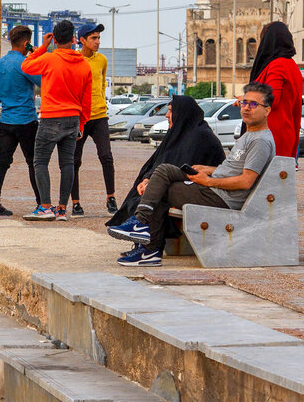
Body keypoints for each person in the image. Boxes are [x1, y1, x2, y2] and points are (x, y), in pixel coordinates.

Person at [108, 83, 276, 267]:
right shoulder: (248, 135)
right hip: (214, 188)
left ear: (267, 111)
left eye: (253, 105)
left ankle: (148, 244)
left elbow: (246, 181)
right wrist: (208, 169)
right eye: (243, 103)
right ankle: (141, 228)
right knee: (164, 170)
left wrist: (209, 181)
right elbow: (233, 169)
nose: (246, 108)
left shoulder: (260, 141)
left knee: (161, 189)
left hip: (221, 198)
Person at [105, 95, 226, 231]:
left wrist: (151, 183)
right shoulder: (180, 133)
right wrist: (146, 180)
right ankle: (142, 238)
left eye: (171, 111)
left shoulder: (200, 136)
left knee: (156, 195)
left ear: (182, 114)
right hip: (178, 181)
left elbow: (179, 167)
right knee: (143, 194)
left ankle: (148, 243)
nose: (167, 115)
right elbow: (161, 161)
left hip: (203, 190)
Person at [20, 20, 92, 221]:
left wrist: (42, 47)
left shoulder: (49, 59)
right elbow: (87, 101)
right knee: (67, 163)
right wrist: (82, 124)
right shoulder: (84, 65)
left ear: (55, 39)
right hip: (73, 118)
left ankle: (45, 207)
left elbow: (25, 66)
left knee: (40, 161)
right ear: (74, 39)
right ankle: (62, 209)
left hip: (51, 117)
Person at [0, 25, 41, 216]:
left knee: (2, 161)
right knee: (33, 162)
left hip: (6, 119)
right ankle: (42, 204)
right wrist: (36, 55)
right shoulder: (25, 63)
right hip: (26, 119)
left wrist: (9, 99)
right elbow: (42, 81)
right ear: (27, 43)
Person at [71, 23, 117, 216]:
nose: (98, 42)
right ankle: (75, 202)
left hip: (99, 115)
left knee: (106, 156)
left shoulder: (102, 60)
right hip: (79, 117)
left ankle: (111, 197)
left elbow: (101, 85)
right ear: (82, 40)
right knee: (74, 160)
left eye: (99, 38)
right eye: (93, 38)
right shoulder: (73, 60)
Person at [248, 21, 303, 158]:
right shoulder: (292, 65)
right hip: (284, 133)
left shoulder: (277, 65)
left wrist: (247, 100)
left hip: (271, 135)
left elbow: (272, 100)